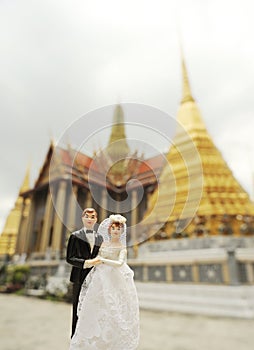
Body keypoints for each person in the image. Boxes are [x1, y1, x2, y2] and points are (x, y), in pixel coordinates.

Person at [69, 214, 140, 350]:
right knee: (96, 305)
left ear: (122, 231)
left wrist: (103, 261)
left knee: (113, 306)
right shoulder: (104, 243)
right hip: (100, 277)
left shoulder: (122, 248)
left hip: (114, 278)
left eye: (118, 229)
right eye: (113, 229)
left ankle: (112, 340)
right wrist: (95, 261)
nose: (115, 231)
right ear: (109, 230)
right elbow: (97, 256)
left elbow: (119, 263)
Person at [66, 208, 103, 338]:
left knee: (93, 309)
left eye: (92, 217)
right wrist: (87, 263)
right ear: (82, 218)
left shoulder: (100, 238)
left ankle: (90, 339)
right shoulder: (75, 236)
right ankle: (75, 339)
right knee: (77, 310)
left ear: (96, 219)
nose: (89, 219)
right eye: (87, 216)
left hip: (95, 279)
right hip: (79, 278)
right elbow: (69, 258)